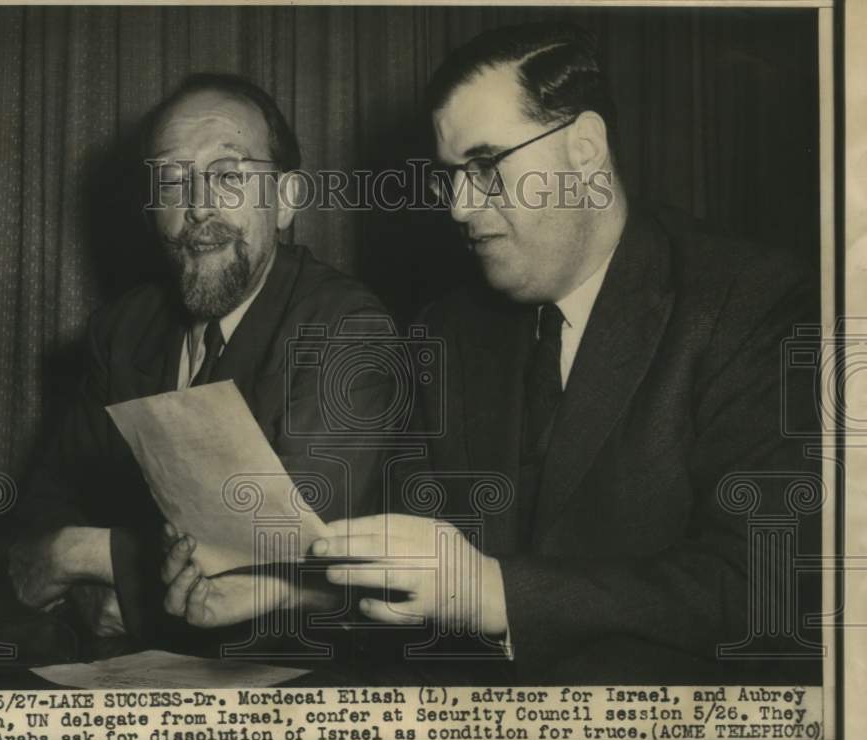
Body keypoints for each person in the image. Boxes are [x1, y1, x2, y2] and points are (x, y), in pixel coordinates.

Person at [312, 23, 822, 683]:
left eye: (487, 167)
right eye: (450, 179)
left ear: (584, 149)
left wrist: (497, 595)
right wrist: (302, 585)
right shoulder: (448, 329)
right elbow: (423, 559)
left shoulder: (756, 305)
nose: (461, 209)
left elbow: (760, 586)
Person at [7, 74, 393, 652]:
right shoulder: (122, 329)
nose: (198, 207)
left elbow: (278, 563)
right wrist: (82, 589)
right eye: (172, 180)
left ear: (286, 201)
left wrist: (79, 554)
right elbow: (34, 522)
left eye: (229, 175)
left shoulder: (347, 329)